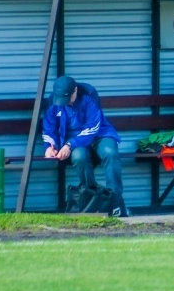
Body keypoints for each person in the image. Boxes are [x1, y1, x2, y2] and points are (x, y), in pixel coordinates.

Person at [42, 76, 129, 216]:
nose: (64, 103)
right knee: (79, 156)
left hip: (99, 135)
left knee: (110, 152)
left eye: (68, 99)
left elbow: (93, 127)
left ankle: (115, 203)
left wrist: (69, 145)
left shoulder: (88, 93)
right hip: (74, 143)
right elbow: (49, 129)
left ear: (75, 90)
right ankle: (93, 199)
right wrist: (49, 147)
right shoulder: (54, 100)